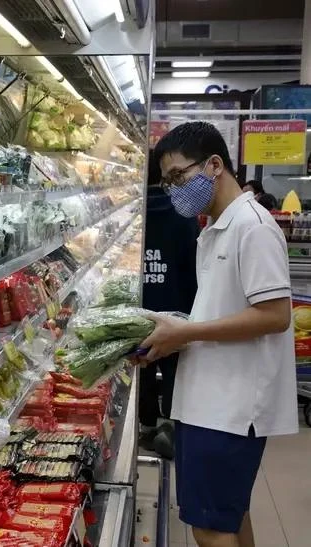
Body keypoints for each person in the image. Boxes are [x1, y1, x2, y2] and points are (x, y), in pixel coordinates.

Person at [143, 121, 297, 547]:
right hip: (208, 402)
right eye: (166, 182)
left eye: (178, 177)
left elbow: (274, 315)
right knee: (228, 518)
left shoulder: (254, 227)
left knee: (210, 529)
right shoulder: (213, 228)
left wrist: (187, 332)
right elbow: (220, 310)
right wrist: (167, 336)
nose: (173, 190)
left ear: (214, 165)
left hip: (231, 409)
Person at [138, 149, 199, 459]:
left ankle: (146, 426)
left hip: (138, 311)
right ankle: (169, 425)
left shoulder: (131, 212)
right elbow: (193, 266)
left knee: (142, 366)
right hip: (177, 307)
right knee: (174, 367)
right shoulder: (183, 214)